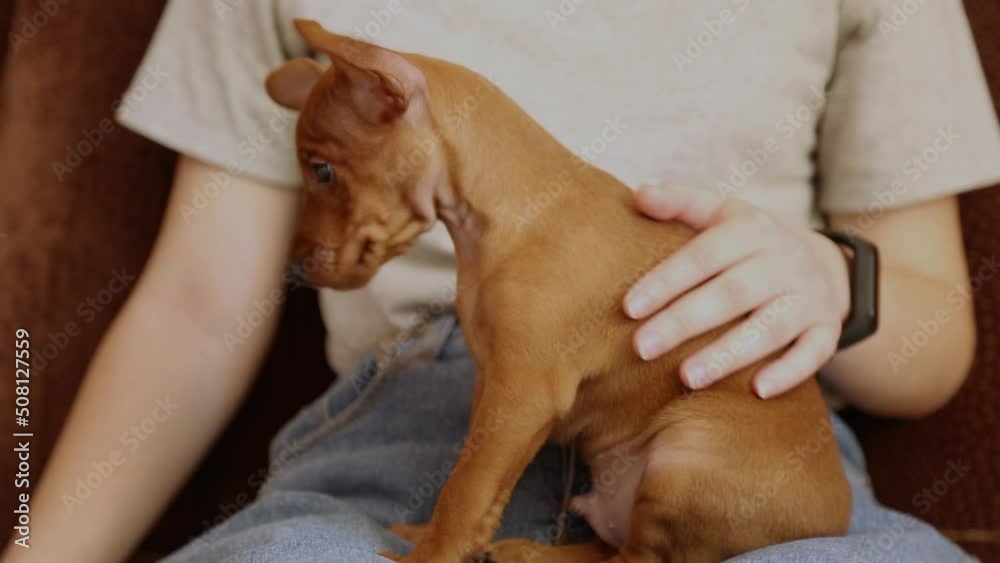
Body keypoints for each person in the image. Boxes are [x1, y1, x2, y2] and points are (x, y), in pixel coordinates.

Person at [6, 1, 1000, 562]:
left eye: (330, 180)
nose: (318, 233)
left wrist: (834, 277)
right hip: (396, 441)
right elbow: (197, 310)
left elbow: (936, 344)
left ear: (393, 96)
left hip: (744, 435)